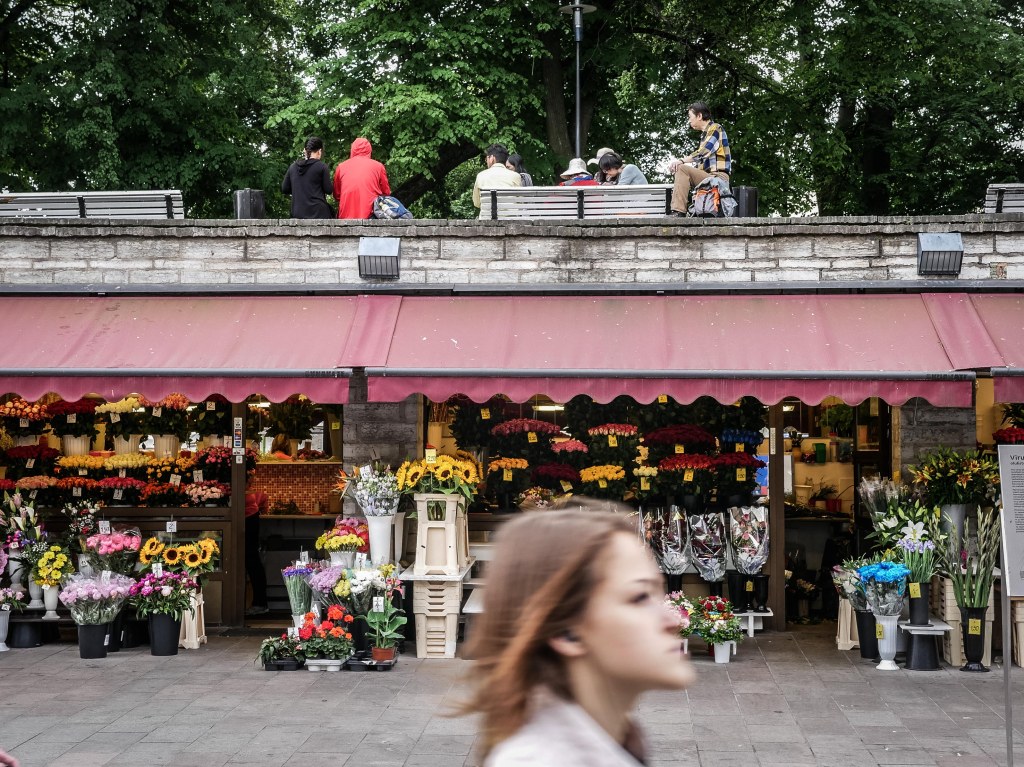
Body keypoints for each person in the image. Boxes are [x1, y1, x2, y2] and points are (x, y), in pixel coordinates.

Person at [462, 504, 693, 766]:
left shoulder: (616, 741)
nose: (673, 620)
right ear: (567, 632)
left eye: (657, 593)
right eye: (639, 597)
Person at [668, 101, 732, 215]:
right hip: (709, 177)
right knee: (681, 171)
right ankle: (682, 210)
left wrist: (681, 160)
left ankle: (678, 212)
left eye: (690, 117)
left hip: (718, 177)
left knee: (682, 168)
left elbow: (703, 152)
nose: (689, 121)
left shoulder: (715, 128)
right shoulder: (704, 135)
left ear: (699, 116)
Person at [333, 137, 391, 219]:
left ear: (352, 149)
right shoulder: (378, 166)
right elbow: (386, 193)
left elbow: (337, 195)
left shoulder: (341, 167)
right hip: (370, 215)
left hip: (346, 216)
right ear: (369, 150)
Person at [281, 136, 334, 219]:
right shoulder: (322, 166)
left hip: (298, 213)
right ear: (319, 151)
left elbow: (284, 189)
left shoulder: (293, 167)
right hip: (319, 213)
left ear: (304, 151)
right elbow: (329, 190)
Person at [473, 143, 522, 218]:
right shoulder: (515, 176)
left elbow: (476, 203)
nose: (486, 161)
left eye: (487, 159)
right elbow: (520, 201)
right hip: (510, 220)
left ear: (492, 158)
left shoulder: (481, 176)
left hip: (487, 220)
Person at [244, 471, 269, 616]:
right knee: (253, 563)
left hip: (249, 522)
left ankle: (260, 603)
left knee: (252, 562)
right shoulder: (249, 494)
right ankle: (259, 602)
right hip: (251, 521)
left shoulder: (247, 494)